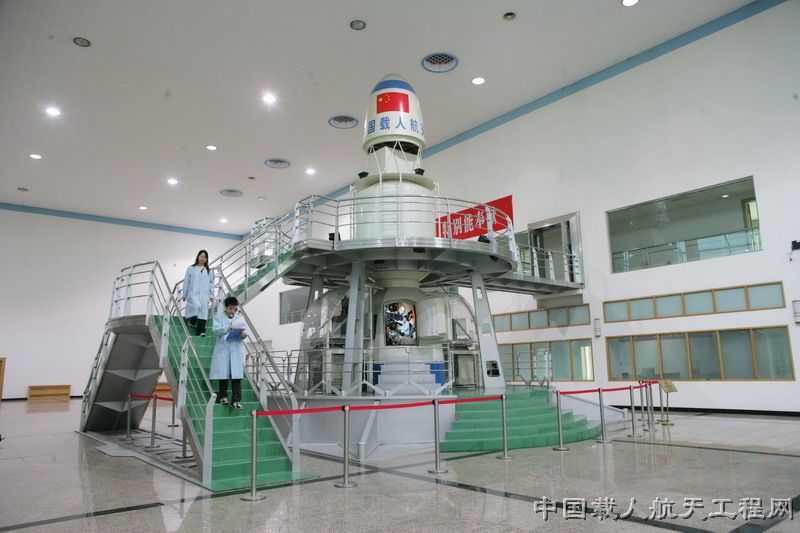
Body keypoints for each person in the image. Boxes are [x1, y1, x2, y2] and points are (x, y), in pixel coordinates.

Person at [210, 296, 248, 409]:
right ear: (225, 307)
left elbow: (245, 331)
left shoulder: (239, 318)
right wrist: (227, 329)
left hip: (235, 349)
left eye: (234, 308)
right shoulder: (218, 318)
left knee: (236, 377)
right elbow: (216, 331)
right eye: (230, 308)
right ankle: (223, 396)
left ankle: (236, 401)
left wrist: (243, 335)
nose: (232, 311)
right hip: (223, 350)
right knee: (223, 374)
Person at [183, 250, 214, 336]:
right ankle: (192, 320)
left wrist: (211, 295)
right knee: (197, 306)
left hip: (204, 295)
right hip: (193, 293)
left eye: (205, 257)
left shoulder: (209, 271)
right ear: (198, 257)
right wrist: (184, 294)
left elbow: (211, 284)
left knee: (203, 312)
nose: (203, 258)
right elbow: (186, 281)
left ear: (207, 259)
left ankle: (201, 331)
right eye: (201, 256)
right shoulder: (191, 269)